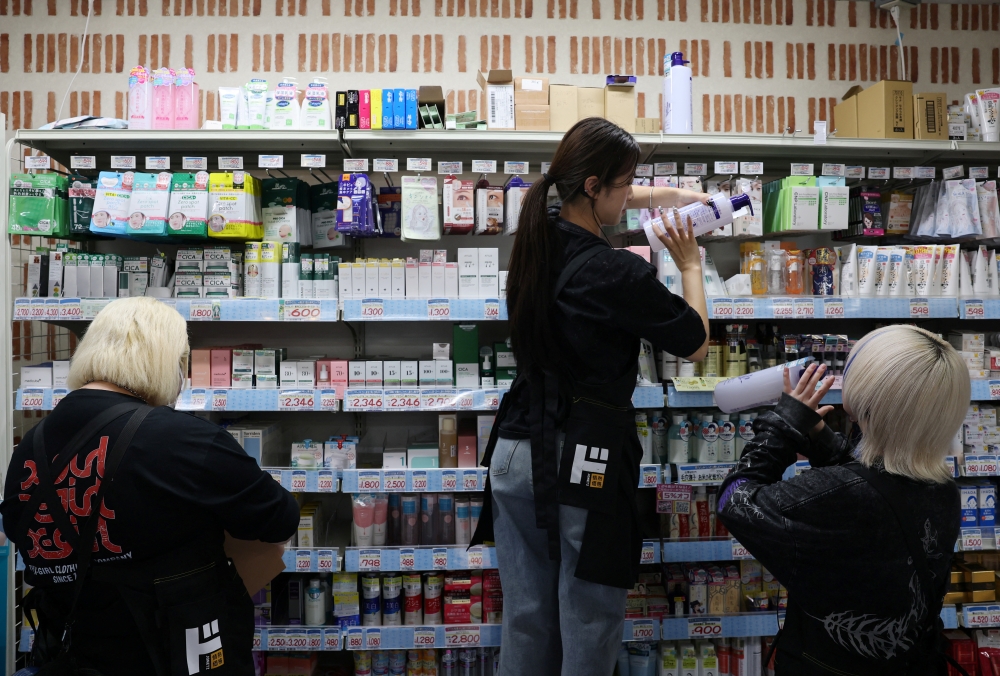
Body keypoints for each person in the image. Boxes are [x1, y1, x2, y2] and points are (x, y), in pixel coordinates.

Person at [470, 117, 711, 675]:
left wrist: (675, 194)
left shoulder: (536, 239)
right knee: (589, 615)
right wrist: (691, 263)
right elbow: (695, 343)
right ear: (594, 187)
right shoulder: (612, 271)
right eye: (626, 184)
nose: (633, 195)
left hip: (514, 452)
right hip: (583, 461)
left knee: (526, 615)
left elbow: (611, 195)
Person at [1, 297, 299, 675]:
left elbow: (19, 529)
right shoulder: (183, 439)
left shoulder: (33, 443)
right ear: (166, 362)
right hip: (176, 649)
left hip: (73, 650)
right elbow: (280, 518)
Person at [718, 325, 969, 675]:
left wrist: (780, 426)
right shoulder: (944, 490)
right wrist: (821, 439)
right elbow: (877, 482)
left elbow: (735, 501)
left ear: (866, 400)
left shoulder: (841, 495)